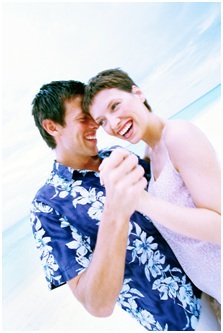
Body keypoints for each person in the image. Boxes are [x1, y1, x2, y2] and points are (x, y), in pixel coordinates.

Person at [30, 80, 203, 331]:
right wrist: (115, 209)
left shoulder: (116, 155)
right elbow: (97, 305)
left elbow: (171, 188)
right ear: (52, 126)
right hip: (182, 321)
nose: (95, 127)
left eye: (95, 119)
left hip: (211, 277)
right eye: (83, 119)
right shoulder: (47, 207)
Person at [83, 68, 221, 305]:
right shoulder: (148, 154)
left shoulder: (178, 135)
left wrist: (141, 200)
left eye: (115, 106)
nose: (113, 124)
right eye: (102, 121)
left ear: (138, 93)